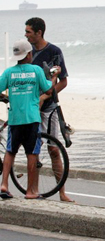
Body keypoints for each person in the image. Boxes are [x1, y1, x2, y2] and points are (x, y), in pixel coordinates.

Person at [1, 40, 59, 199]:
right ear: (28, 54)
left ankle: (4, 184)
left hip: (14, 119)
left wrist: (6, 97)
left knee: (10, 151)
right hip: (32, 118)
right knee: (32, 154)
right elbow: (48, 89)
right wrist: (54, 77)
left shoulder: (8, 73)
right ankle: (30, 192)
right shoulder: (36, 70)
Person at [24, 17, 73, 203]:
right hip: (30, 108)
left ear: (39, 32)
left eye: (29, 32)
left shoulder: (54, 52)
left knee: (54, 149)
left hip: (50, 108)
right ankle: (33, 190)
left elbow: (64, 81)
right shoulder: (26, 53)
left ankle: (61, 192)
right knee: (33, 149)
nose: (26, 35)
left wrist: (47, 95)